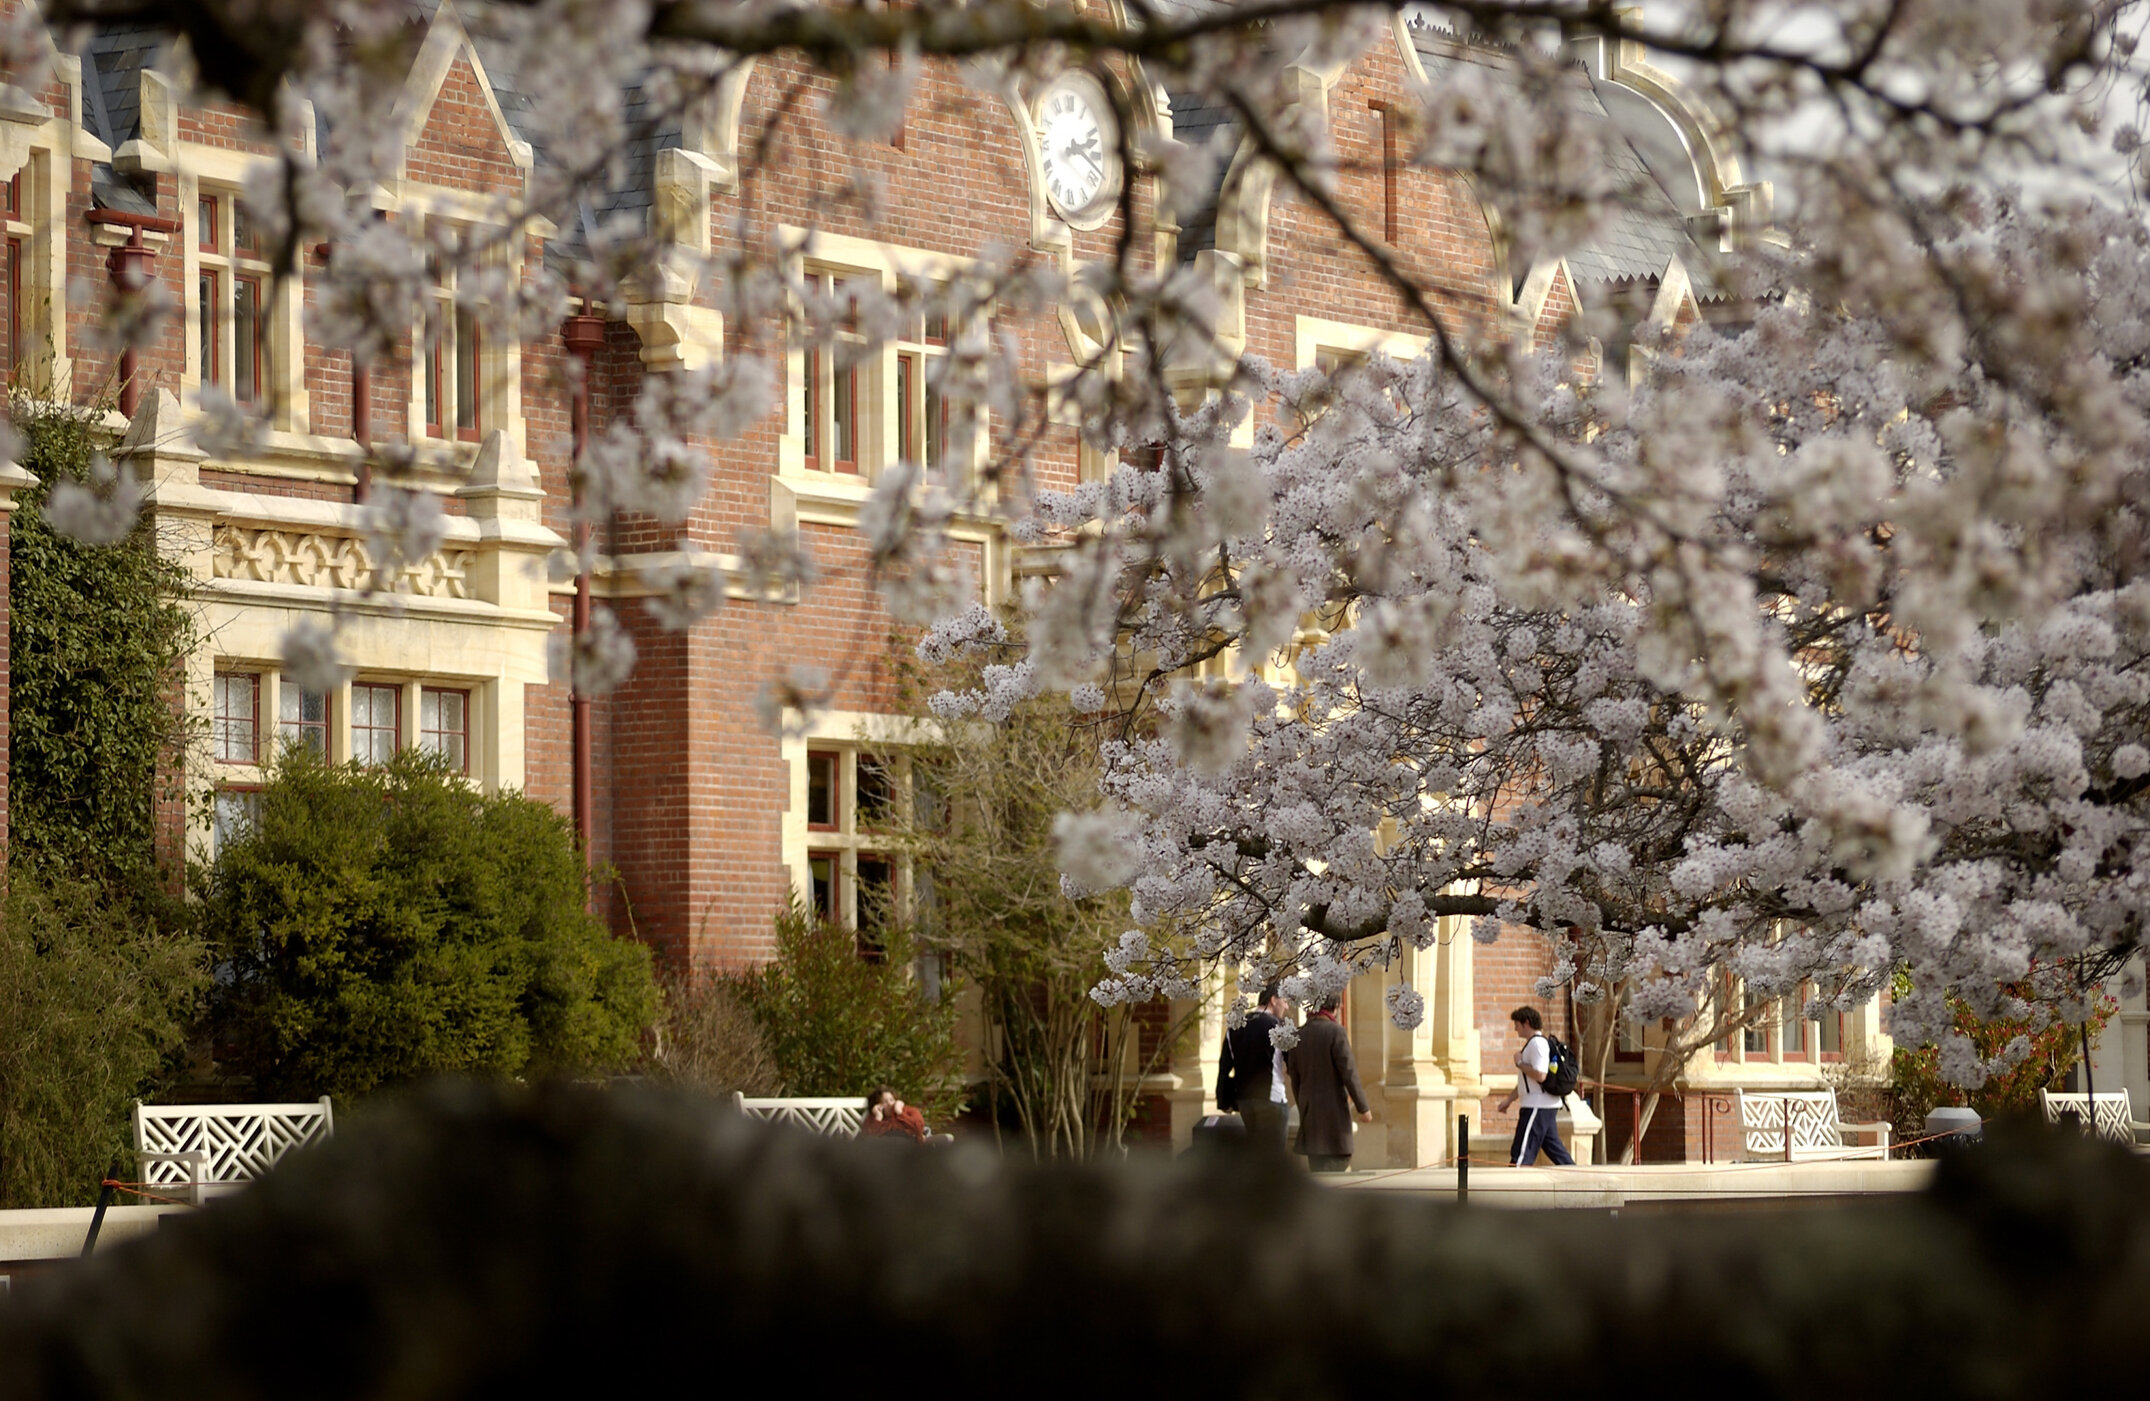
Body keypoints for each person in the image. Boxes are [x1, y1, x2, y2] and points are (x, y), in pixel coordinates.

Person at [1286, 991, 1372, 1172]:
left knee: (1318, 1171)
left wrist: (1304, 1106)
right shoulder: (1336, 1032)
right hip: (1334, 1120)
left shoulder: (1298, 1035)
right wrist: (1363, 1108)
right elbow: (1349, 1072)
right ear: (1334, 1007)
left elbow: (1295, 1078)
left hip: (1311, 1119)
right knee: (1337, 1171)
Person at [1495, 1005, 1574, 1167]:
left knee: (1521, 1154)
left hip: (1537, 1107)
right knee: (1557, 1153)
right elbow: (1527, 1082)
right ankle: (1578, 1177)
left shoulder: (1537, 1044)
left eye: (1517, 1024)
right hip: (1540, 1105)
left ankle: (1516, 1182)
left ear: (1527, 1023)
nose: (1515, 1029)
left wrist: (1519, 1063)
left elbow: (1540, 1075)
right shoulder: (1534, 1044)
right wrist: (1509, 1100)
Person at [1220, 984, 1295, 1153]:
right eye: (1284, 1001)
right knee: (1274, 1157)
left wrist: (1224, 1100)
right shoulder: (1277, 1026)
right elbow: (1293, 1064)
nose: (1286, 1006)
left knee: (1255, 1154)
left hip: (1245, 1100)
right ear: (1273, 1000)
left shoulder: (1235, 1026)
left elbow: (1224, 1066)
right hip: (1272, 1099)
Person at [859, 1087, 926, 1143]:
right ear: (878, 1106)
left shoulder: (909, 1111)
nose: (890, 1104)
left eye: (892, 1100)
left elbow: (918, 1127)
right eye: (884, 1102)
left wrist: (899, 1112)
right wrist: (878, 1118)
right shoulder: (873, 1118)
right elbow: (867, 1139)